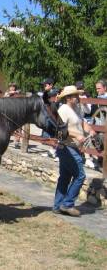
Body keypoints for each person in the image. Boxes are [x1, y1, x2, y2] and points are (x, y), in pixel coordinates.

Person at [53, 86, 96, 216]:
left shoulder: (76, 109)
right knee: (80, 175)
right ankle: (67, 204)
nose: (78, 98)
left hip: (73, 148)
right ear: (69, 98)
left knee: (65, 177)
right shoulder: (63, 110)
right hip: (66, 147)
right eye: (75, 96)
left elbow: (82, 122)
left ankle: (57, 205)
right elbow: (59, 130)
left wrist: (90, 130)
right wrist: (76, 135)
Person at [4, 82, 21, 148]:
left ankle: (17, 142)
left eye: (13, 86)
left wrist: (15, 92)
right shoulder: (7, 93)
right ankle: (6, 140)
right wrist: (9, 93)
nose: (12, 87)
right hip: (9, 111)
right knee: (8, 127)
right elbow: (4, 97)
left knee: (17, 127)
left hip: (16, 111)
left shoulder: (17, 92)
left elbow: (20, 92)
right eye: (11, 86)